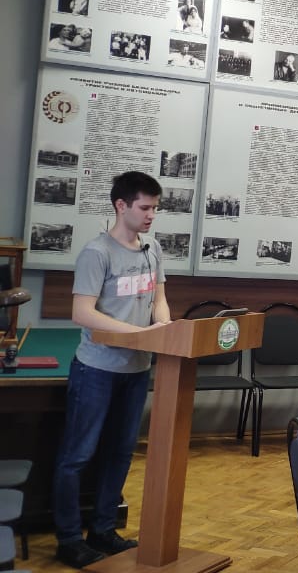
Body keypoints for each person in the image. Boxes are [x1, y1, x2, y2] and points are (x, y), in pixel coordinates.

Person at [52, 172, 170, 568]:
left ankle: (103, 530)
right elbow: (82, 312)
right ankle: (69, 540)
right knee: (77, 456)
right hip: (96, 370)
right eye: (145, 207)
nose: (151, 215)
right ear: (122, 206)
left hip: (136, 370)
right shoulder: (96, 252)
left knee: (120, 452)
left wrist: (163, 327)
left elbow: (159, 299)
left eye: (155, 208)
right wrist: (140, 334)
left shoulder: (153, 249)